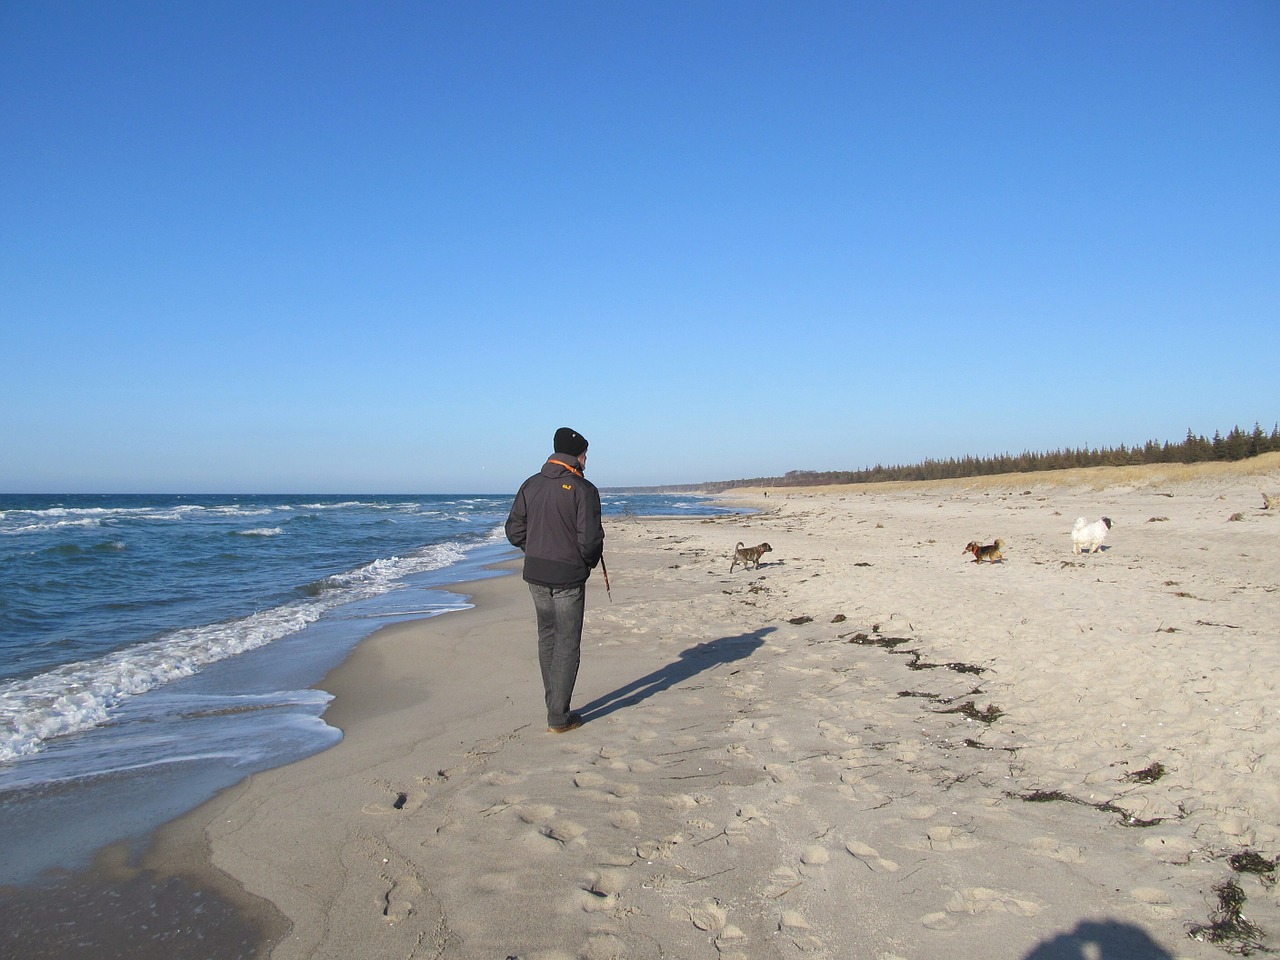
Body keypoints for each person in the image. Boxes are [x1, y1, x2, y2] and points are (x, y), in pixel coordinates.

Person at [505, 427, 605, 733]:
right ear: (575, 454)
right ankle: (558, 715)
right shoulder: (582, 489)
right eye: (585, 453)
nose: (587, 458)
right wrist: (581, 563)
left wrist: (537, 550)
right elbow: (589, 541)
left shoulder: (530, 485)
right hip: (564, 576)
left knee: (548, 638)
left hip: (538, 572)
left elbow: (514, 531)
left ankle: (555, 708)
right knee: (564, 643)